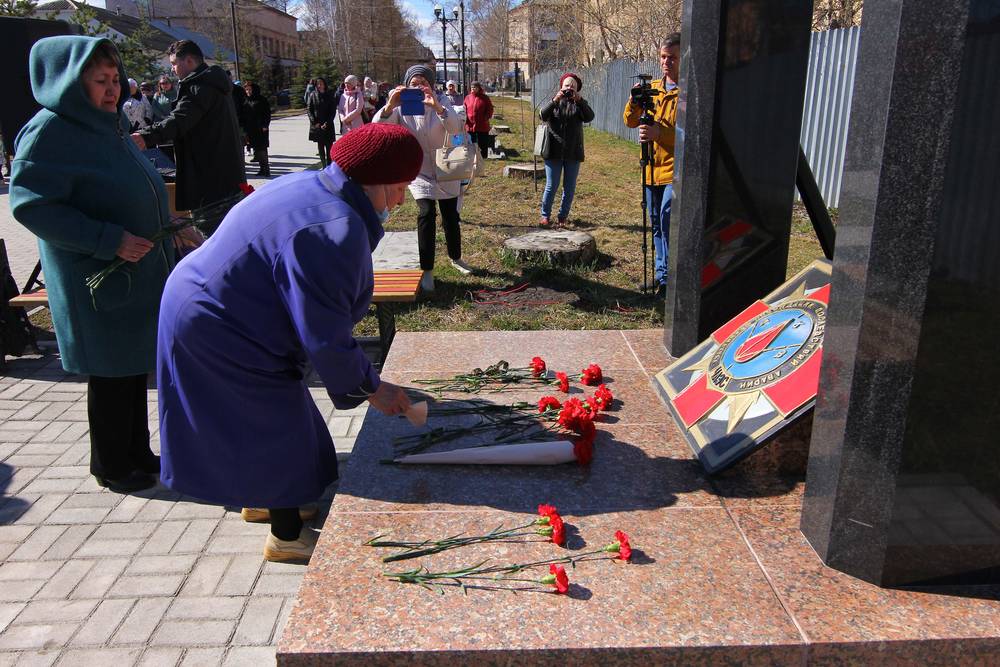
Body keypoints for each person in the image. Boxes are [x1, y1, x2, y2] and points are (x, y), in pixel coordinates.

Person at [156, 123, 420, 562]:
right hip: (218, 325)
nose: (398, 201)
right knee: (277, 427)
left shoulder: (317, 186)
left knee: (275, 420)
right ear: (372, 181)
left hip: (209, 305)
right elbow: (325, 335)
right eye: (398, 189)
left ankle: (266, 497)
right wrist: (373, 388)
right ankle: (287, 536)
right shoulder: (334, 228)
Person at [10, 36, 174, 494]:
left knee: (130, 368)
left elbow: (135, 184)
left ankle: (138, 453)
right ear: (66, 83)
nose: (112, 90)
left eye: (115, 80)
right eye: (99, 81)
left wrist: (170, 223)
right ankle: (112, 465)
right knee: (109, 372)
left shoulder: (109, 122)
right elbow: (32, 207)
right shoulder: (49, 132)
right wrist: (109, 239)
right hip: (96, 277)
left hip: (133, 271)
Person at [374, 64, 471, 291]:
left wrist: (437, 107)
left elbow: (456, 128)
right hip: (419, 170)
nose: (419, 87)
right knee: (426, 213)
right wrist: (389, 106)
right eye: (414, 84)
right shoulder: (402, 106)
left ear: (431, 84)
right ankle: (427, 270)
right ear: (407, 86)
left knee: (450, 215)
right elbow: (377, 128)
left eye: (424, 82)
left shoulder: (442, 101)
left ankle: (455, 257)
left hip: (446, 167)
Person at [131, 40, 246, 212]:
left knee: (210, 230)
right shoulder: (212, 83)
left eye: (174, 64)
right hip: (223, 173)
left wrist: (145, 136)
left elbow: (179, 120)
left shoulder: (200, 87)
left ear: (189, 61)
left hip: (210, 178)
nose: (172, 69)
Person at [623, 33, 680, 298]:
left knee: (669, 221)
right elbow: (630, 121)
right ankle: (661, 275)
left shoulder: (687, 92)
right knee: (656, 223)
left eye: (672, 58)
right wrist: (634, 101)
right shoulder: (653, 90)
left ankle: (671, 278)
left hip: (673, 172)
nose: (666, 62)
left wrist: (660, 134)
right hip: (651, 170)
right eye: (663, 57)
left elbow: (691, 134)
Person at [538, 72, 595, 227]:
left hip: (573, 152)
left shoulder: (579, 104)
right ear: (561, 87)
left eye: (573, 86)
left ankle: (563, 216)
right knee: (551, 186)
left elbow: (590, 117)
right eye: (566, 86)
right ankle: (545, 215)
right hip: (553, 152)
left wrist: (581, 101)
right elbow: (542, 115)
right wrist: (555, 100)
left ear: (577, 90)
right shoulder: (555, 102)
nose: (569, 88)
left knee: (569, 188)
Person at [243, 81, 271, 177]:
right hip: (251, 129)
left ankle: (266, 169)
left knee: (262, 148)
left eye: (249, 89)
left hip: (261, 128)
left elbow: (267, 113)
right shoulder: (246, 100)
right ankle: (261, 169)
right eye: (246, 90)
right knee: (256, 149)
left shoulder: (261, 99)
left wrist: (265, 125)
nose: (248, 91)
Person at [307, 77, 336, 167]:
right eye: (318, 84)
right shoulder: (312, 95)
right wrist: (315, 122)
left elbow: (333, 110)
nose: (319, 85)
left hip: (328, 124)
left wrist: (327, 123)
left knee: (329, 146)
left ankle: (329, 165)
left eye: (321, 83)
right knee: (320, 145)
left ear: (324, 84)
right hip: (317, 124)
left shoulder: (330, 95)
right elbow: (309, 109)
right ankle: (323, 165)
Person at [464, 80, 493, 160]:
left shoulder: (485, 98)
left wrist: (486, 118)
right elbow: (464, 108)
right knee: (471, 141)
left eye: (475, 87)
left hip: (482, 124)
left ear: (478, 88)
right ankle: (472, 156)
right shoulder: (467, 97)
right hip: (470, 124)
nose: (473, 89)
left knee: (482, 141)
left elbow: (490, 109)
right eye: (472, 87)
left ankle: (483, 157)